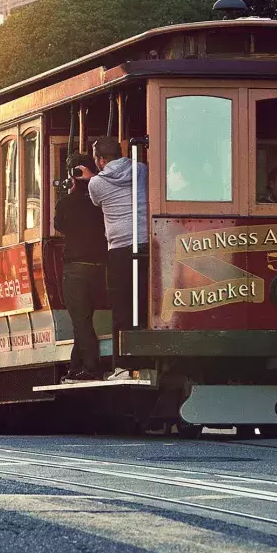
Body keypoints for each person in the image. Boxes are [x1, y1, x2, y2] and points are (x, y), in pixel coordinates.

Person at [88, 137, 149, 377]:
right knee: (145, 303)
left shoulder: (96, 183)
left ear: (100, 160)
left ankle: (123, 364)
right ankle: (149, 358)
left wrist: (89, 176)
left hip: (120, 249)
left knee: (122, 308)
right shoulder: (141, 170)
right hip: (146, 242)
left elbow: (96, 202)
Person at [53, 154, 108, 382]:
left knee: (81, 320)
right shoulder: (101, 199)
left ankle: (92, 367)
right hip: (99, 268)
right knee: (82, 319)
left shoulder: (67, 202)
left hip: (75, 269)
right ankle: (76, 366)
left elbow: (59, 225)